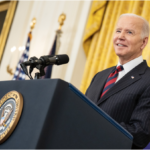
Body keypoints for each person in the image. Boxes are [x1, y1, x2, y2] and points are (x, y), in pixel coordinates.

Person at [85, 13, 150, 149]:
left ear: (143, 42)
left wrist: (94, 126)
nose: (120, 36)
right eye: (118, 31)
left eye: (129, 32)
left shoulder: (147, 80)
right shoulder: (100, 76)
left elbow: (139, 133)